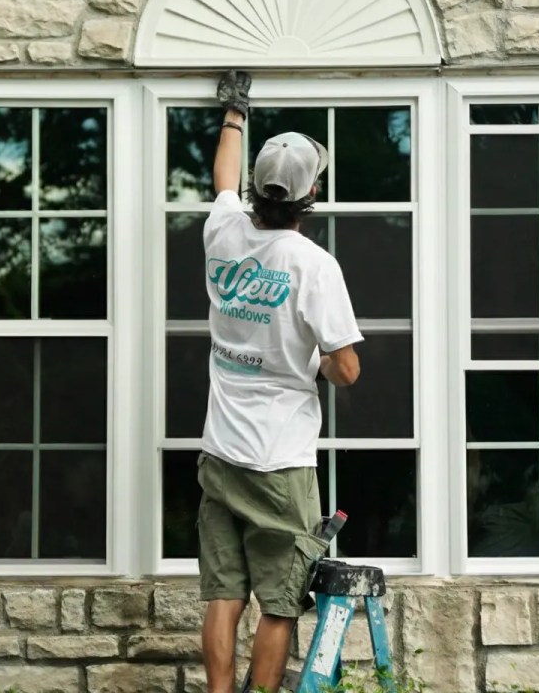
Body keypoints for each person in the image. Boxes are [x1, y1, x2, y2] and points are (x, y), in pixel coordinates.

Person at [198, 70, 363, 693]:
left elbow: (222, 180)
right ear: (310, 192)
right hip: (281, 461)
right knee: (281, 599)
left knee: (223, 592)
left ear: (258, 192)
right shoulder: (314, 266)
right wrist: (310, 364)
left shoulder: (224, 232)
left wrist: (234, 113)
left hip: (220, 449)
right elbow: (346, 367)